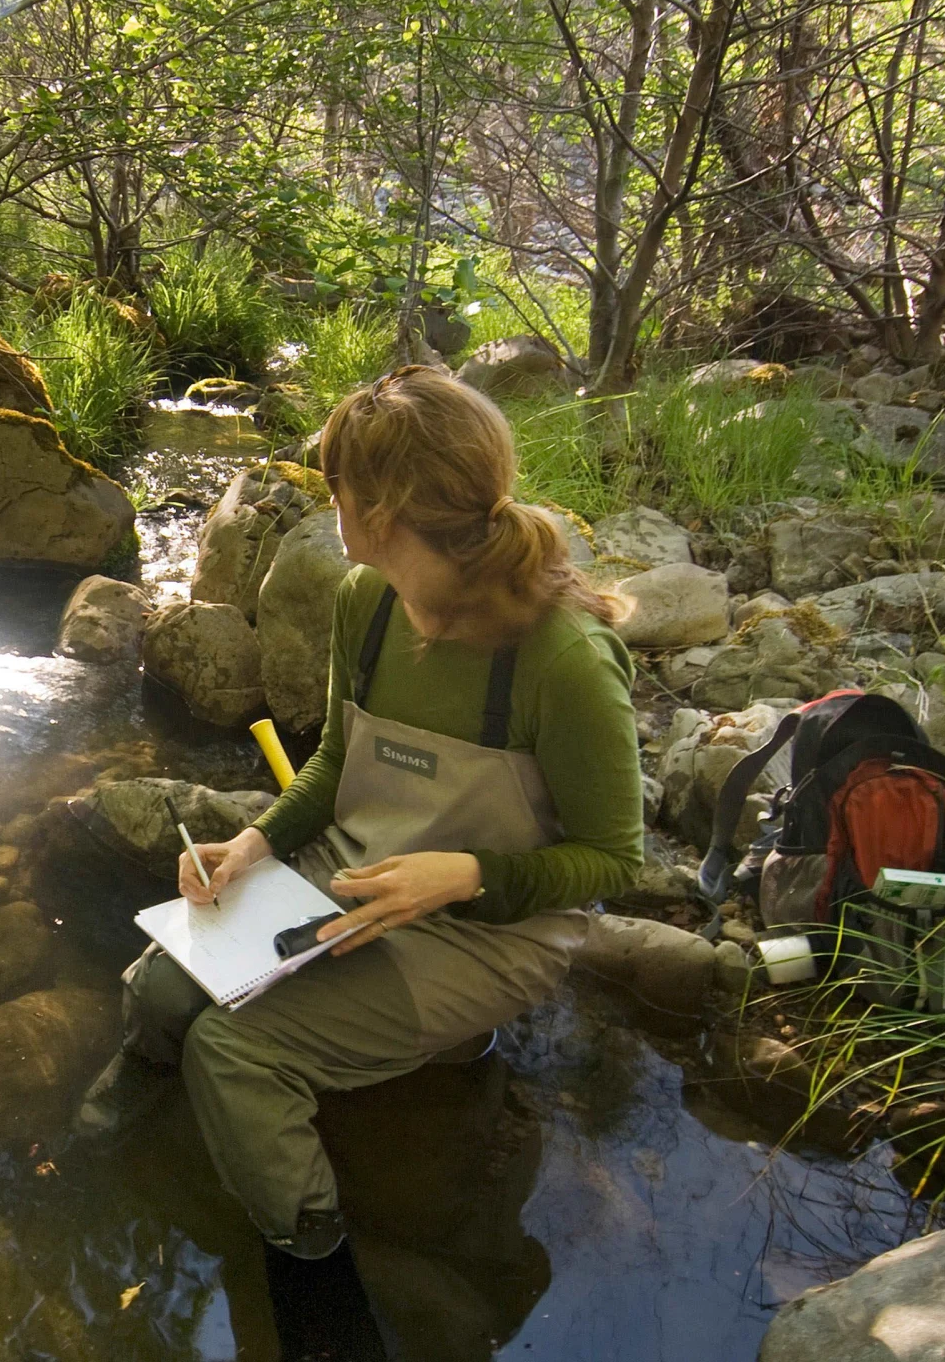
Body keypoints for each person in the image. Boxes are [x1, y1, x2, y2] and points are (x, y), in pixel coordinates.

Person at [76, 364, 644, 1357]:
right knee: (163, 990)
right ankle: (134, 1099)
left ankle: (315, 1263)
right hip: (353, 868)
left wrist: (466, 874)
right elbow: (338, 765)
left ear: (379, 505)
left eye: (336, 482)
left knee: (235, 1048)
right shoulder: (364, 602)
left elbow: (612, 859)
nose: (328, 497)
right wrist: (253, 843)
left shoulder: (563, 657)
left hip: (486, 928)